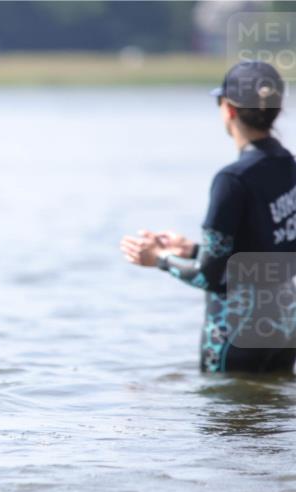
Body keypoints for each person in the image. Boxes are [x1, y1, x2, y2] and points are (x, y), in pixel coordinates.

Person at [120, 61, 296, 373]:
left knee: (221, 405)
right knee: (273, 403)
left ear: (229, 109)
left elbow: (210, 276)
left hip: (236, 333)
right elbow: (266, 253)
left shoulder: (232, 179)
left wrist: (159, 258)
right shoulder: (289, 167)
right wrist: (192, 250)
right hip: (285, 326)